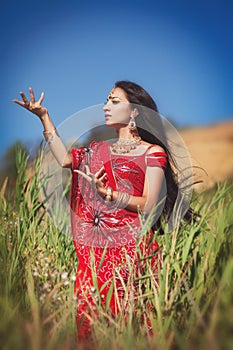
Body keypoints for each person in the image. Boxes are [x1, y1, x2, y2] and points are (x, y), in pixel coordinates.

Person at [13, 81, 193, 338]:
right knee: (94, 326)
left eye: (114, 101)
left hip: (131, 255)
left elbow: (149, 203)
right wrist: (44, 117)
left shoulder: (152, 152)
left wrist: (109, 194)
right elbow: (65, 160)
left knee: (134, 325)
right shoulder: (99, 150)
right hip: (96, 256)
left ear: (134, 112)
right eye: (107, 100)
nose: (106, 106)